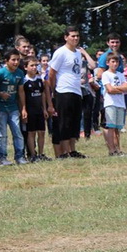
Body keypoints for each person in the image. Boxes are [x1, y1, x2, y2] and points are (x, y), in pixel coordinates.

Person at [48, 26, 91, 159]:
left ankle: (72, 149)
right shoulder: (61, 52)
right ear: (66, 37)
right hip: (63, 90)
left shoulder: (78, 53)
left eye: (77, 36)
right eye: (72, 36)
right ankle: (65, 151)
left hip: (76, 91)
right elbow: (51, 73)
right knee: (64, 122)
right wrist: (53, 90)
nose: (75, 38)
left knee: (75, 121)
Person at [0, 48, 27, 165]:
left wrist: (23, 108)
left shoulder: (20, 73)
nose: (16, 62)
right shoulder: (0, 73)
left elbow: (21, 92)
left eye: (18, 60)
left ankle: (19, 156)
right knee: (2, 134)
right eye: (13, 60)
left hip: (13, 108)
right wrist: (0, 94)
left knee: (17, 132)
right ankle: (2, 157)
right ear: (6, 61)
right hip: (0, 107)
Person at [19, 56, 51, 162]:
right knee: (31, 133)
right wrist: (23, 110)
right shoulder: (24, 81)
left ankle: (41, 154)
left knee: (41, 132)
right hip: (30, 110)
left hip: (39, 110)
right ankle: (33, 154)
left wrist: (44, 109)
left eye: (36, 65)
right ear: (25, 67)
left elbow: (42, 94)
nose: (34, 68)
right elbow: (22, 96)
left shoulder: (39, 80)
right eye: (31, 65)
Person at [101, 52, 127, 156]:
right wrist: (120, 89)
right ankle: (111, 150)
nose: (115, 64)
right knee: (111, 127)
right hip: (110, 103)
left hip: (120, 104)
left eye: (117, 61)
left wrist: (116, 89)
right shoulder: (106, 74)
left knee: (118, 128)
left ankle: (118, 149)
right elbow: (109, 89)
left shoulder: (120, 74)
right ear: (108, 63)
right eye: (113, 61)